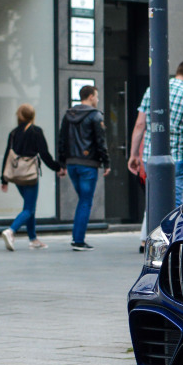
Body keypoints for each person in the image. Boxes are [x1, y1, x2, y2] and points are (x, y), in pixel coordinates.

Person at [127, 60, 183, 207]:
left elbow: (140, 125)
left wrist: (134, 155)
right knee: (174, 201)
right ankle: (172, 230)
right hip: (176, 157)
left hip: (150, 157)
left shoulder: (152, 90)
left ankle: (154, 229)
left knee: (154, 201)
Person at [0, 104, 64, 251]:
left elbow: (6, 156)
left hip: (16, 175)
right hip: (29, 175)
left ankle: (33, 239)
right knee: (29, 208)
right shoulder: (36, 131)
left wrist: (4, 180)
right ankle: (11, 231)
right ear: (32, 116)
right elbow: (45, 154)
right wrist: (58, 168)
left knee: (29, 207)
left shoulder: (14, 133)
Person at [58, 84, 111, 251]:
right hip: (88, 165)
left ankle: (77, 238)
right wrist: (106, 162)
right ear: (90, 97)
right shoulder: (95, 116)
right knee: (85, 201)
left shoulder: (68, 115)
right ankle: (78, 240)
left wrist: (62, 163)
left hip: (72, 164)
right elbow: (100, 142)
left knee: (83, 200)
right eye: (96, 96)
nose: (97, 99)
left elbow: (62, 140)